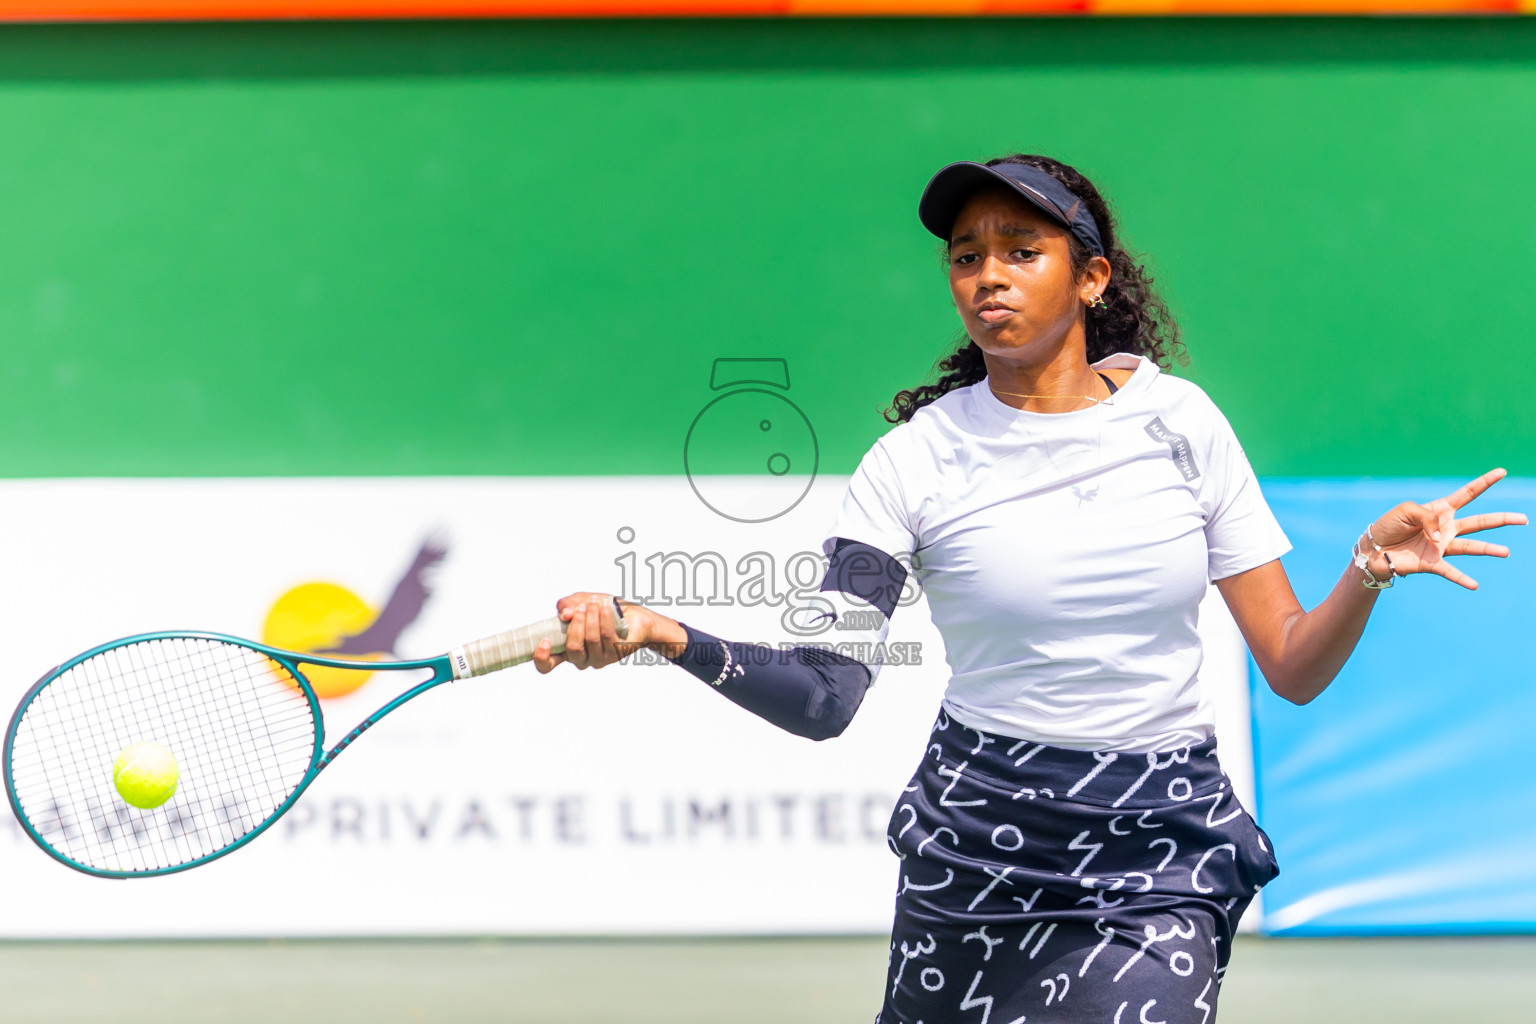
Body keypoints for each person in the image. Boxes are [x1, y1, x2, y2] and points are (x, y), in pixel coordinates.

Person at [531, 154, 1525, 1022]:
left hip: (1156, 845)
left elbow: (1294, 665)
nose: (987, 275)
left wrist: (1365, 570)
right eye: (967, 255)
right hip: (977, 845)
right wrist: (662, 631)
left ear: (1091, 278)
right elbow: (822, 696)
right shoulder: (910, 465)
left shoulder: (1183, 425)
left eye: (1021, 249)